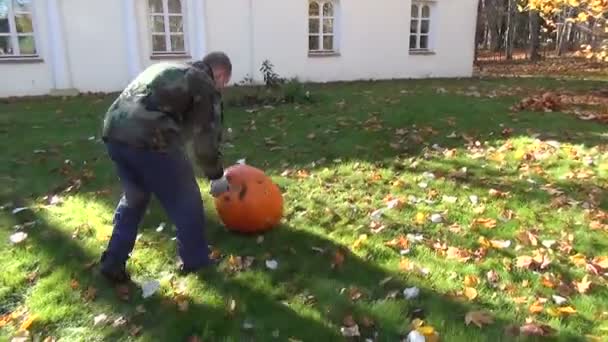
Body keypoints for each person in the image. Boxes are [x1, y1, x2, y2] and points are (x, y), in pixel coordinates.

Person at [98, 52, 233, 284]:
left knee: (135, 197)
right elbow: (204, 140)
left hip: (114, 131)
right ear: (219, 74)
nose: (221, 87)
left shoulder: (168, 68)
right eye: (224, 82)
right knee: (186, 199)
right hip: (150, 138)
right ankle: (196, 262)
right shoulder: (204, 84)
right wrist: (216, 176)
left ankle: (113, 262)